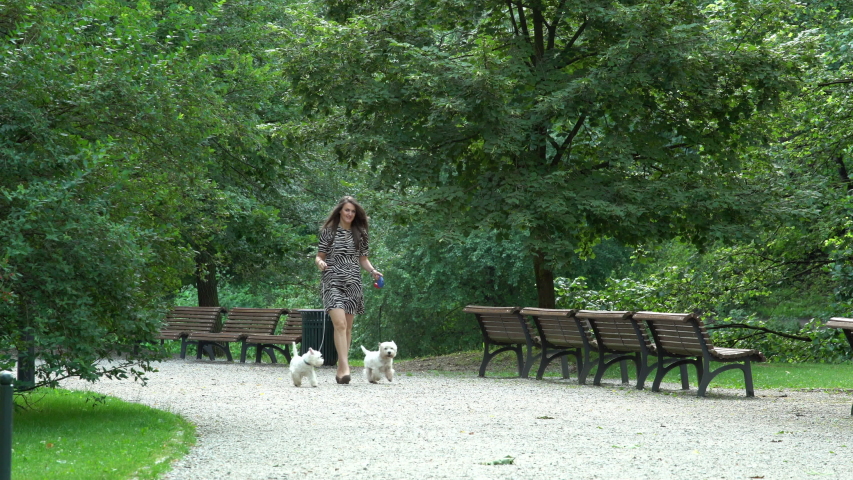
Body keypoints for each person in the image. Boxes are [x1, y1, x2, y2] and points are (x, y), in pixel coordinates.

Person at [314, 196, 382, 384]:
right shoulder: (329, 232)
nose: (350, 214)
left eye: (353, 211)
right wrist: (320, 263)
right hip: (332, 281)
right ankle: (344, 367)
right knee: (340, 324)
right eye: (347, 210)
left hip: (353, 282)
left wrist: (373, 271)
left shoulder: (360, 233)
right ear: (340, 212)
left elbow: (363, 259)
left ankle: (341, 366)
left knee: (348, 327)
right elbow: (319, 256)